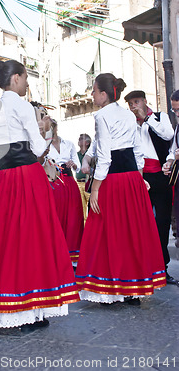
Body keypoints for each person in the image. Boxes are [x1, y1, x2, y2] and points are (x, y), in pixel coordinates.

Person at [0, 60, 79, 332]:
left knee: (8, 238)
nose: (27, 83)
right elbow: (36, 148)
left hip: (6, 179)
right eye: (24, 78)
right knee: (34, 238)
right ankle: (32, 306)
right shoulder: (22, 106)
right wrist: (43, 128)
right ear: (16, 79)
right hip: (28, 177)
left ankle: (10, 306)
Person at [76, 74, 166, 305]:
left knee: (109, 232)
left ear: (104, 94)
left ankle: (113, 287)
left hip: (113, 180)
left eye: (94, 91)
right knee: (131, 232)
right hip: (131, 179)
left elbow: (105, 156)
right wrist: (138, 178)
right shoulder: (128, 114)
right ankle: (133, 289)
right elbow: (137, 152)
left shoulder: (102, 115)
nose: (92, 95)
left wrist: (95, 188)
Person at [124, 89, 177, 285]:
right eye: (130, 104)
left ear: (145, 102)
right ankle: (143, 268)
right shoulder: (129, 124)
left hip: (159, 175)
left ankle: (162, 268)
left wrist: (146, 120)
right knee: (139, 222)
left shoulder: (159, 117)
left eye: (136, 102)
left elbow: (168, 134)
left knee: (162, 222)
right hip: (139, 176)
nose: (134, 106)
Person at [48, 120, 84, 263]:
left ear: (55, 128)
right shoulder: (43, 146)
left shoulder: (68, 144)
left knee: (74, 217)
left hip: (69, 181)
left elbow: (79, 167)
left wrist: (74, 165)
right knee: (56, 216)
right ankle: (57, 255)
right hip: (53, 182)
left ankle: (73, 256)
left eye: (51, 127)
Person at [162, 89, 179, 281]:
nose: (177, 114)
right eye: (174, 110)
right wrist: (169, 162)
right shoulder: (178, 128)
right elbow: (173, 150)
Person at [76, 134, 92, 222]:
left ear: (86, 143)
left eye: (81, 139)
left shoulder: (90, 154)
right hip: (78, 183)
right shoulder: (76, 154)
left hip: (88, 183)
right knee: (82, 209)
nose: (79, 140)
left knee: (90, 208)